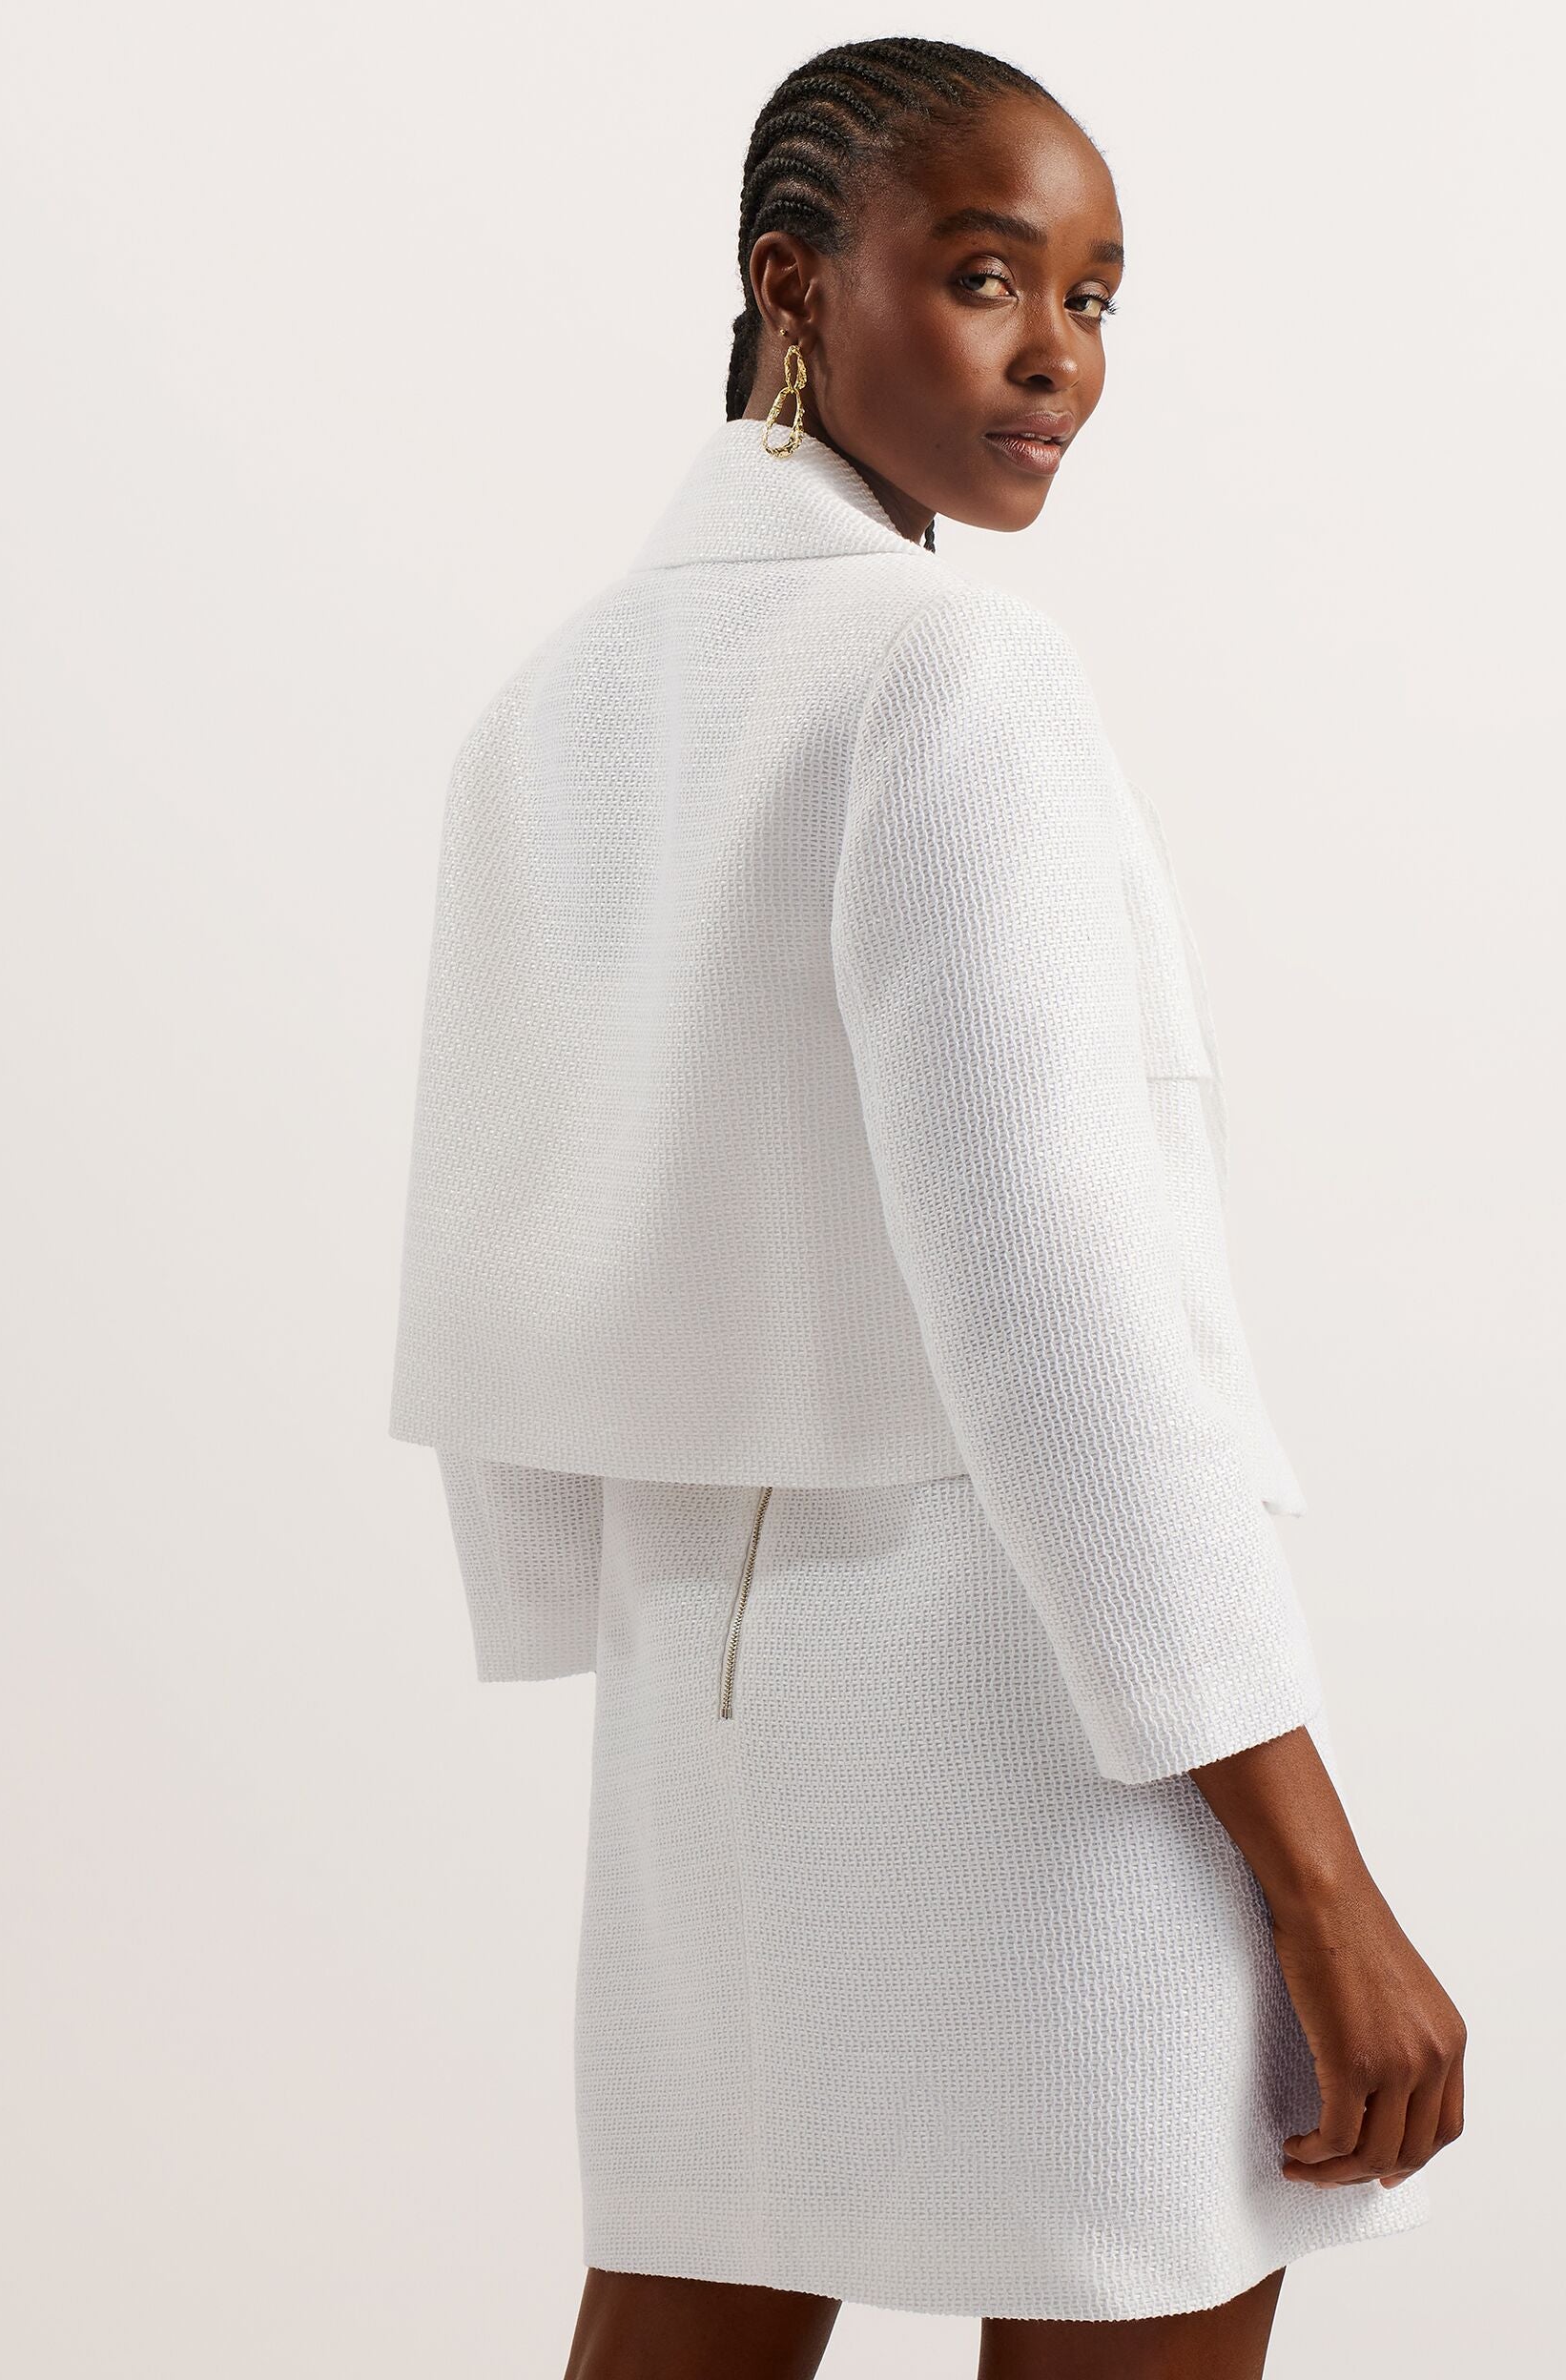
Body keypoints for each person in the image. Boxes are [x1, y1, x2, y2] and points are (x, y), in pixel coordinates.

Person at [387, 34, 1465, 2380]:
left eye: (1094, 295)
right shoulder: (946, 674)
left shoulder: (549, 707)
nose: (1058, 352)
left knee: (697, 2298)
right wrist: (1320, 1876)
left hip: (711, 1710)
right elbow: (1063, 1315)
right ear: (794, 285)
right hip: (1061, 1716)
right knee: (1157, 2266)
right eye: (987, 278)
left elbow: (499, 1216)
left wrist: (597, 1581)